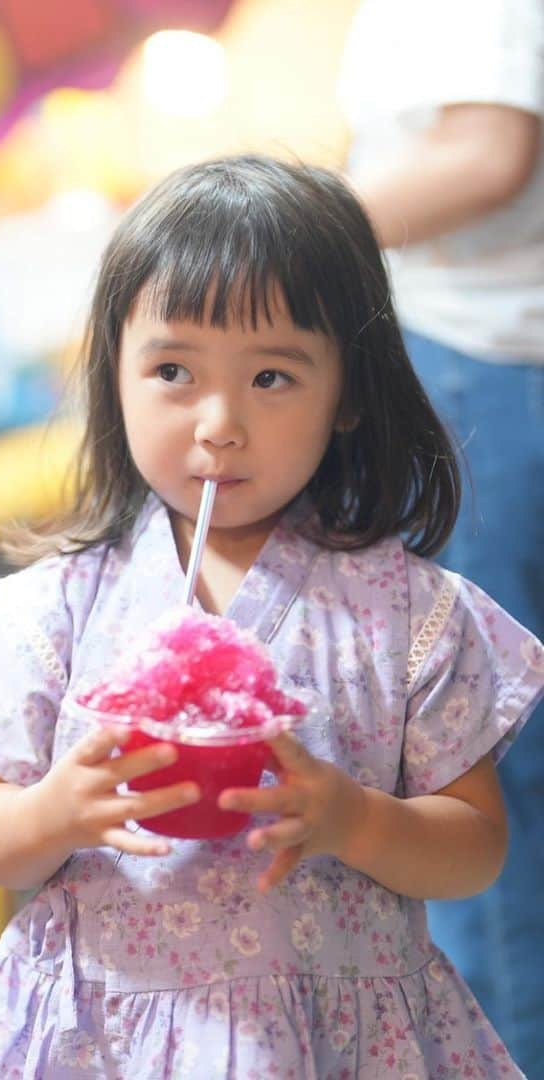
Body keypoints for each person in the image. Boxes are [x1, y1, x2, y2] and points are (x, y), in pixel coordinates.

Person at [0, 156, 544, 1078]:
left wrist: (351, 819)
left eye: (273, 377)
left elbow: (477, 847)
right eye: (172, 369)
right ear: (111, 377)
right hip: (106, 1038)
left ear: (349, 391)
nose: (219, 422)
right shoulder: (58, 609)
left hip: (335, 1042)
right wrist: (56, 810)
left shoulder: (408, 614)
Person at [339, 1, 544, 1069]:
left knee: (473, 767)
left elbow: (489, 148)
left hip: (483, 373)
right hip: (481, 374)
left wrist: (292, 222)